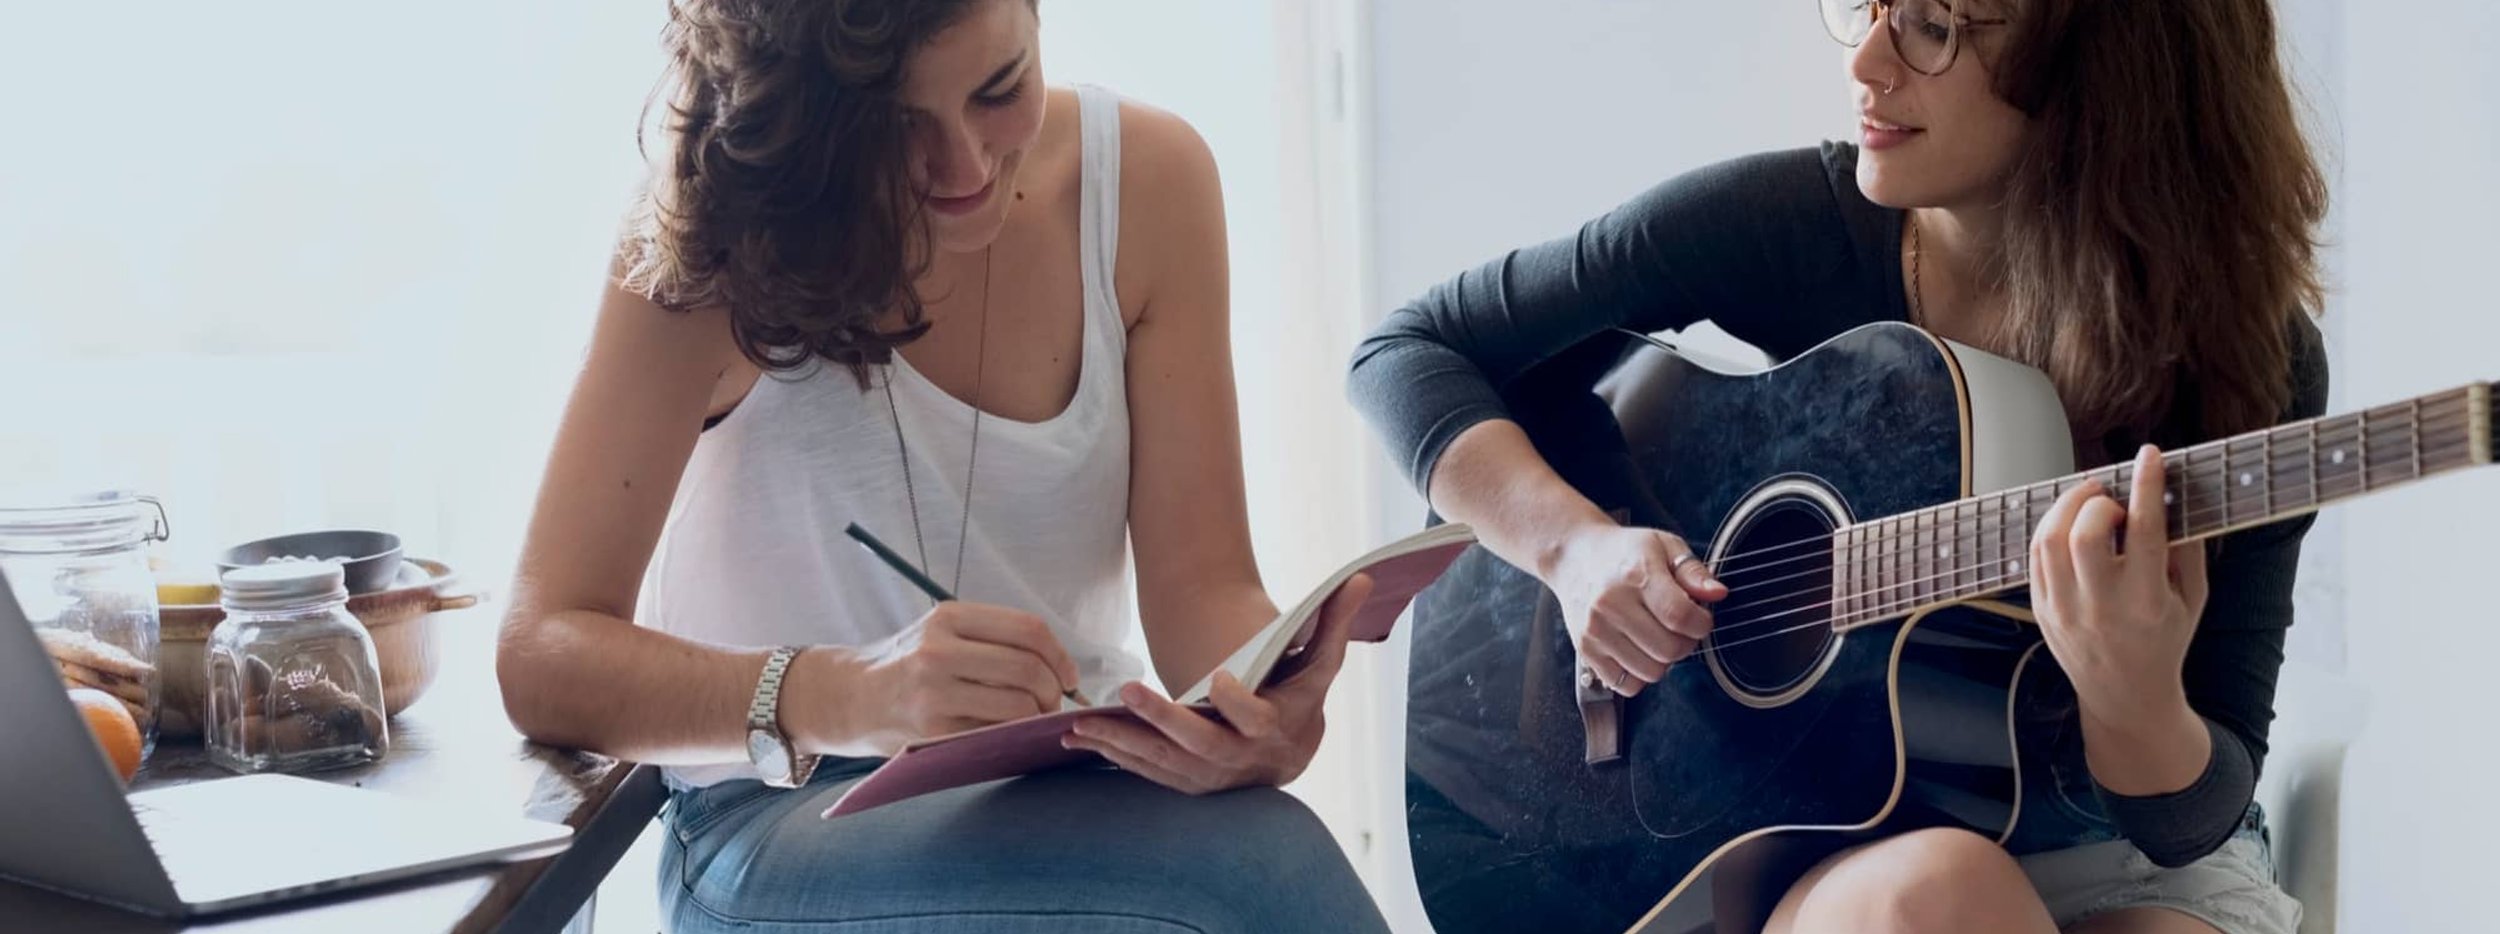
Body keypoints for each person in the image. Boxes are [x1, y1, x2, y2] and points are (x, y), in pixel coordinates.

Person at [1349, 1, 2326, 932]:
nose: (1864, 61)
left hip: (2123, 848)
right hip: (1847, 848)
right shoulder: (1791, 226)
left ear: (2108, 70)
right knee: (1936, 896)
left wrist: (2132, 692)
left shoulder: (2241, 352)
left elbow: (2185, 819)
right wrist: (1573, 552)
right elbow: (1408, 351)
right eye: (1867, 8)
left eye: (1934, 28)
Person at [496, 1, 1388, 931]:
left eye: (1001, 89)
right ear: (806, 115)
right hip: (781, 807)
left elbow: (1204, 588)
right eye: (894, 127)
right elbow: (541, 653)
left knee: (1254, 843)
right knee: (1251, 874)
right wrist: (850, 693)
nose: (963, 166)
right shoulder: (713, 242)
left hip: (1067, 778)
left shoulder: (1148, 184)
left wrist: (1262, 711)